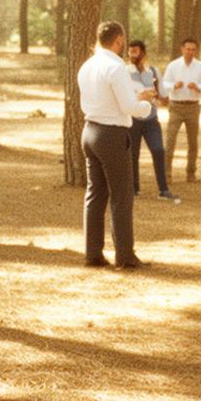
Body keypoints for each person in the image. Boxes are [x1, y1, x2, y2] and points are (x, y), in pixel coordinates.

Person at [78, 21, 159, 268]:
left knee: (95, 195)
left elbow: (110, 99)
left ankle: (92, 253)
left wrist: (136, 98)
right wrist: (147, 106)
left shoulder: (88, 65)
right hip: (111, 134)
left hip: (90, 130)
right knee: (121, 196)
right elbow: (128, 108)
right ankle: (125, 256)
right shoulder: (116, 67)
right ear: (120, 40)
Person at [125, 40, 178, 202]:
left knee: (158, 150)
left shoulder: (153, 72)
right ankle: (134, 189)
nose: (132, 54)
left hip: (151, 119)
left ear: (143, 53)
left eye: (135, 51)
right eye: (130, 51)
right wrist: (139, 96)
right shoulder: (124, 72)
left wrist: (161, 95)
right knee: (133, 154)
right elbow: (124, 96)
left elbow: (163, 96)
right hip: (133, 119)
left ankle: (163, 189)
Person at [160, 38, 201, 186]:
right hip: (176, 106)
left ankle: (191, 173)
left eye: (193, 49)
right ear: (182, 49)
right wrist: (174, 85)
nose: (190, 52)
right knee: (170, 141)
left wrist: (198, 87)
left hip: (193, 106)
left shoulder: (200, 67)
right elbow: (164, 84)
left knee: (193, 142)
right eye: (188, 49)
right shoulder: (173, 65)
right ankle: (167, 174)